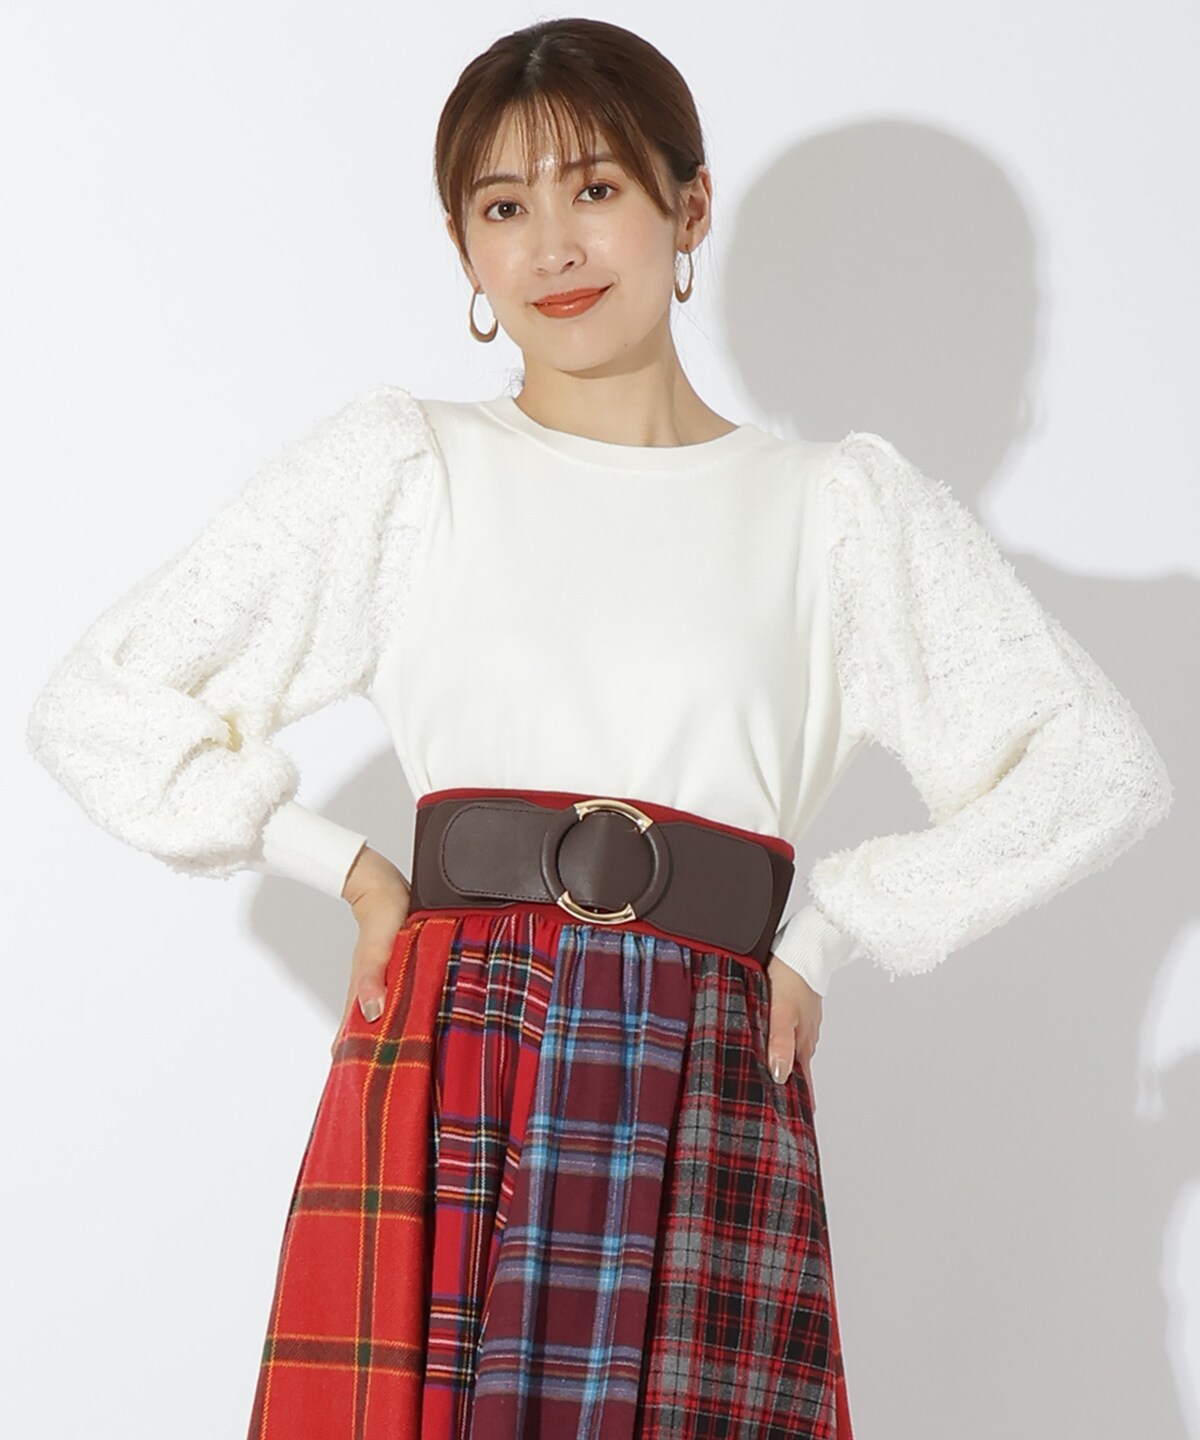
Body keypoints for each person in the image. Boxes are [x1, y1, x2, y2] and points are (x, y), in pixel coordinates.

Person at [24, 17, 1173, 1440]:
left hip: (706, 1059)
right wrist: (346, 867)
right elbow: (102, 701)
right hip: (458, 1041)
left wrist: (837, 928)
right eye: (504, 208)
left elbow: (1092, 767)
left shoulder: (837, 512)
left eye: (597, 189)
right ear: (465, 250)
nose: (554, 247)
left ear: (689, 207)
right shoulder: (408, 469)